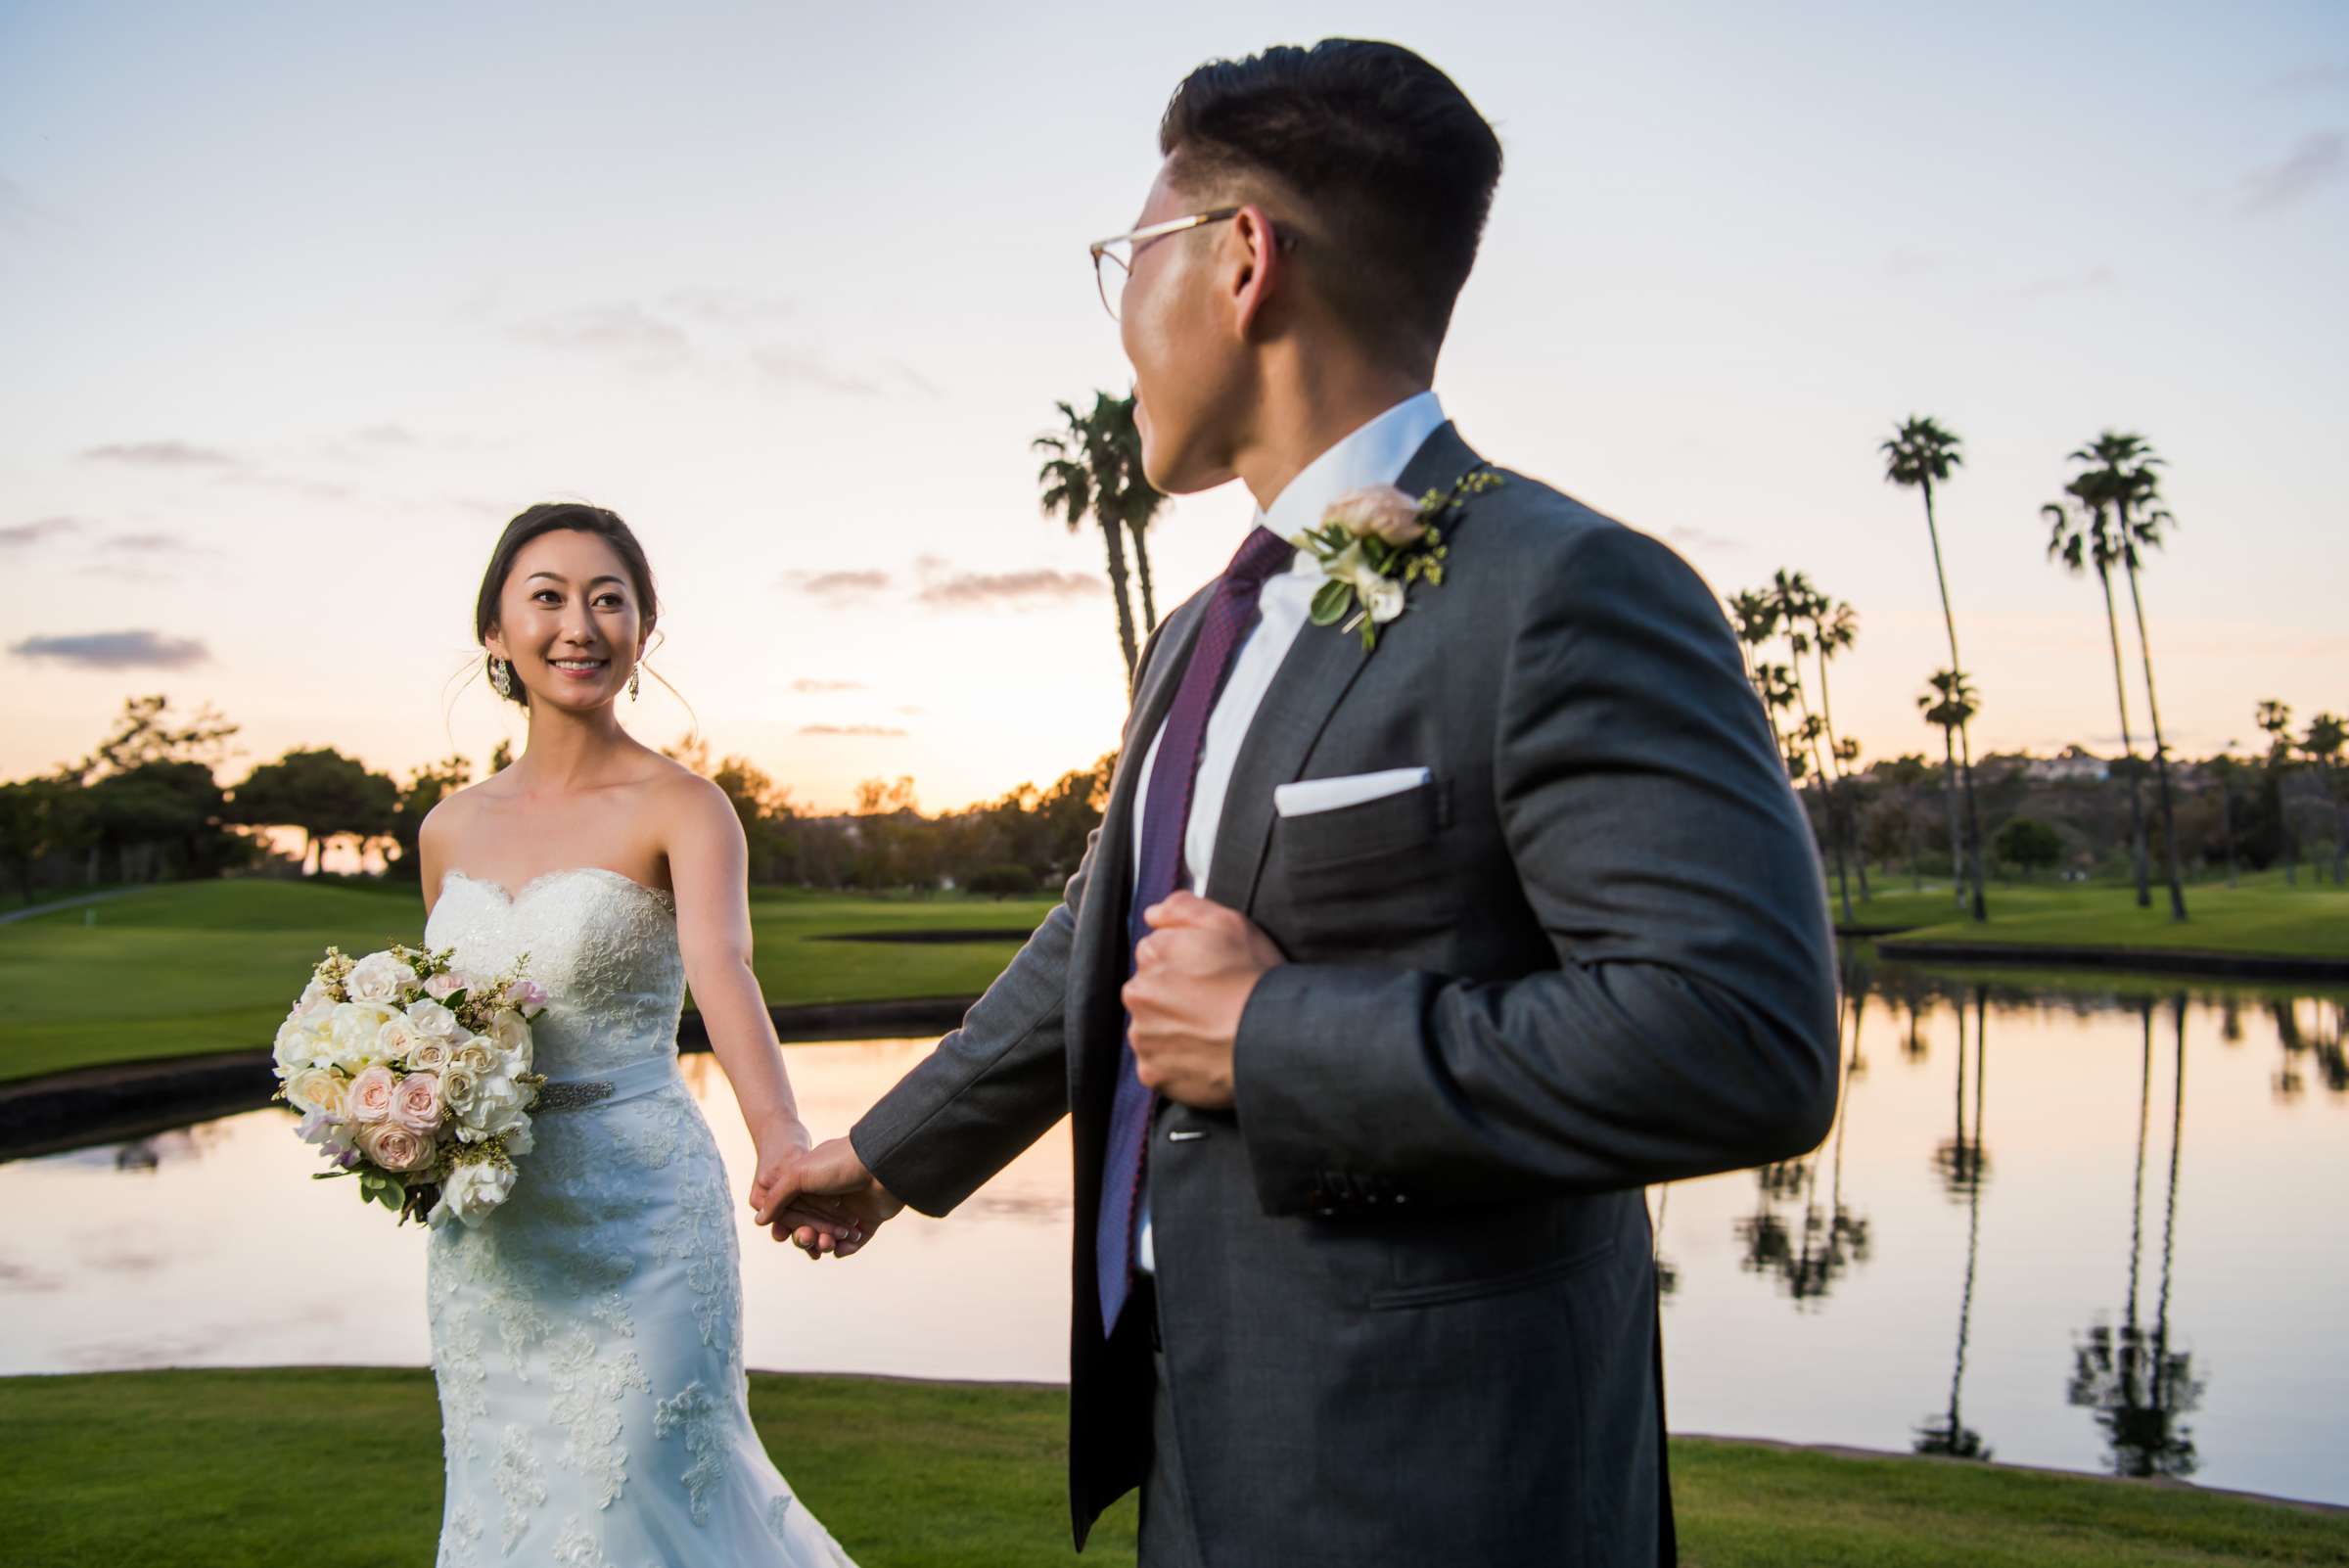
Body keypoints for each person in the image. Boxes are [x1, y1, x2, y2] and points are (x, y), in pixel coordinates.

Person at [752, 38, 1842, 1568]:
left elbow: (1740, 1038)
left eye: (1131, 255)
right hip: (1201, 1445)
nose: (1121, 317)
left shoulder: (1567, 591)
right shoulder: (1199, 631)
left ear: (1241, 258)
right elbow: (1110, 934)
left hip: (1447, 1482)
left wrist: (1273, 1036)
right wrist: (883, 1155)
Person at [418, 502, 858, 1567]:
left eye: (609, 599)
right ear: (495, 631)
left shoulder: (686, 806)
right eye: (549, 597)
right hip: (495, 1232)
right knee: (509, 1509)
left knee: (633, 1508)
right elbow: (438, 1024)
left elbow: (724, 972)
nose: (581, 624)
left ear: (644, 633)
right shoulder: (446, 827)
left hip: (646, 1215)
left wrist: (784, 1143)